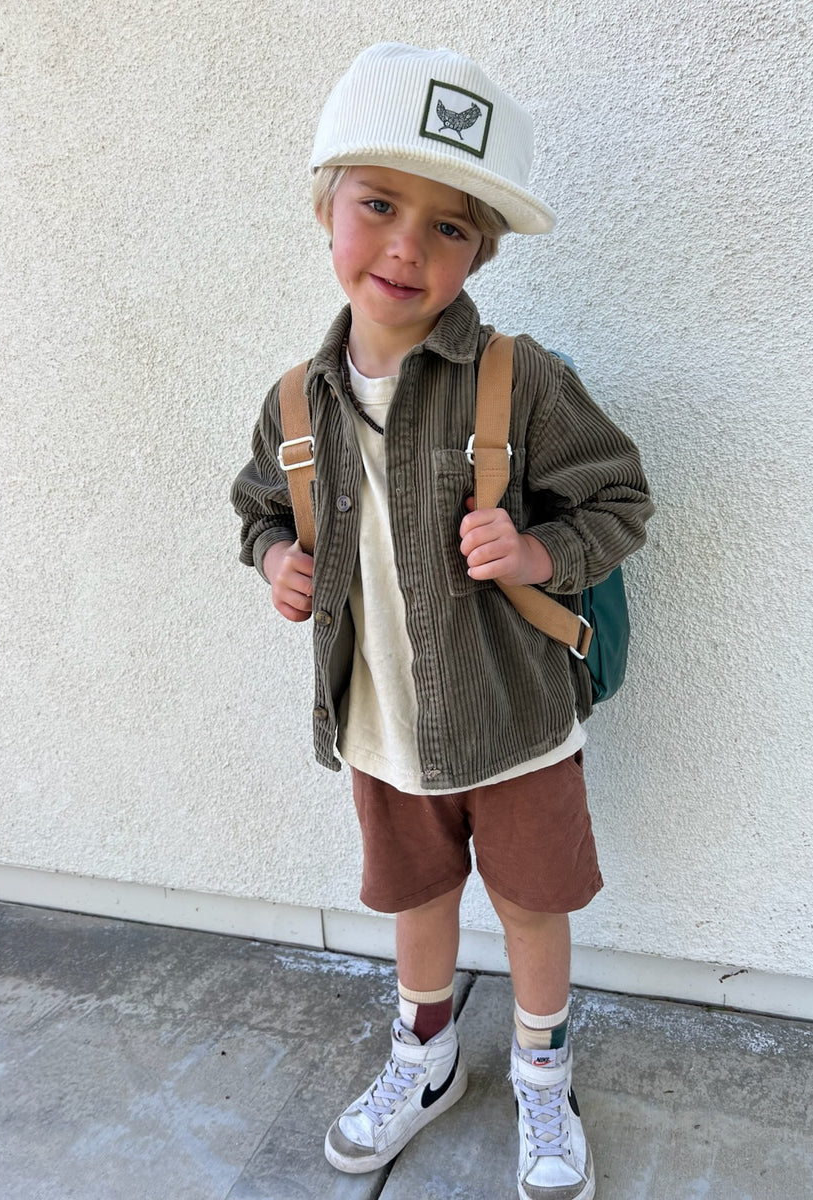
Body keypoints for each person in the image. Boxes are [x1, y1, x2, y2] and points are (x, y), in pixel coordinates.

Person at [231, 41, 652, 1200]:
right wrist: (278, 559)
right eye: (378, 204)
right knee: (415, 902)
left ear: (482, 250)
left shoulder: (521, 380)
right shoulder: (292, 403)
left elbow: (621, 499)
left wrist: (537, 550)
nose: (409, 245)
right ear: (328, 213)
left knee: (531, 905)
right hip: (382, 728)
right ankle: (424, 1061)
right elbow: (258, 510)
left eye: (450, 225)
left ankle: (539, 1073)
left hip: (515, 721)